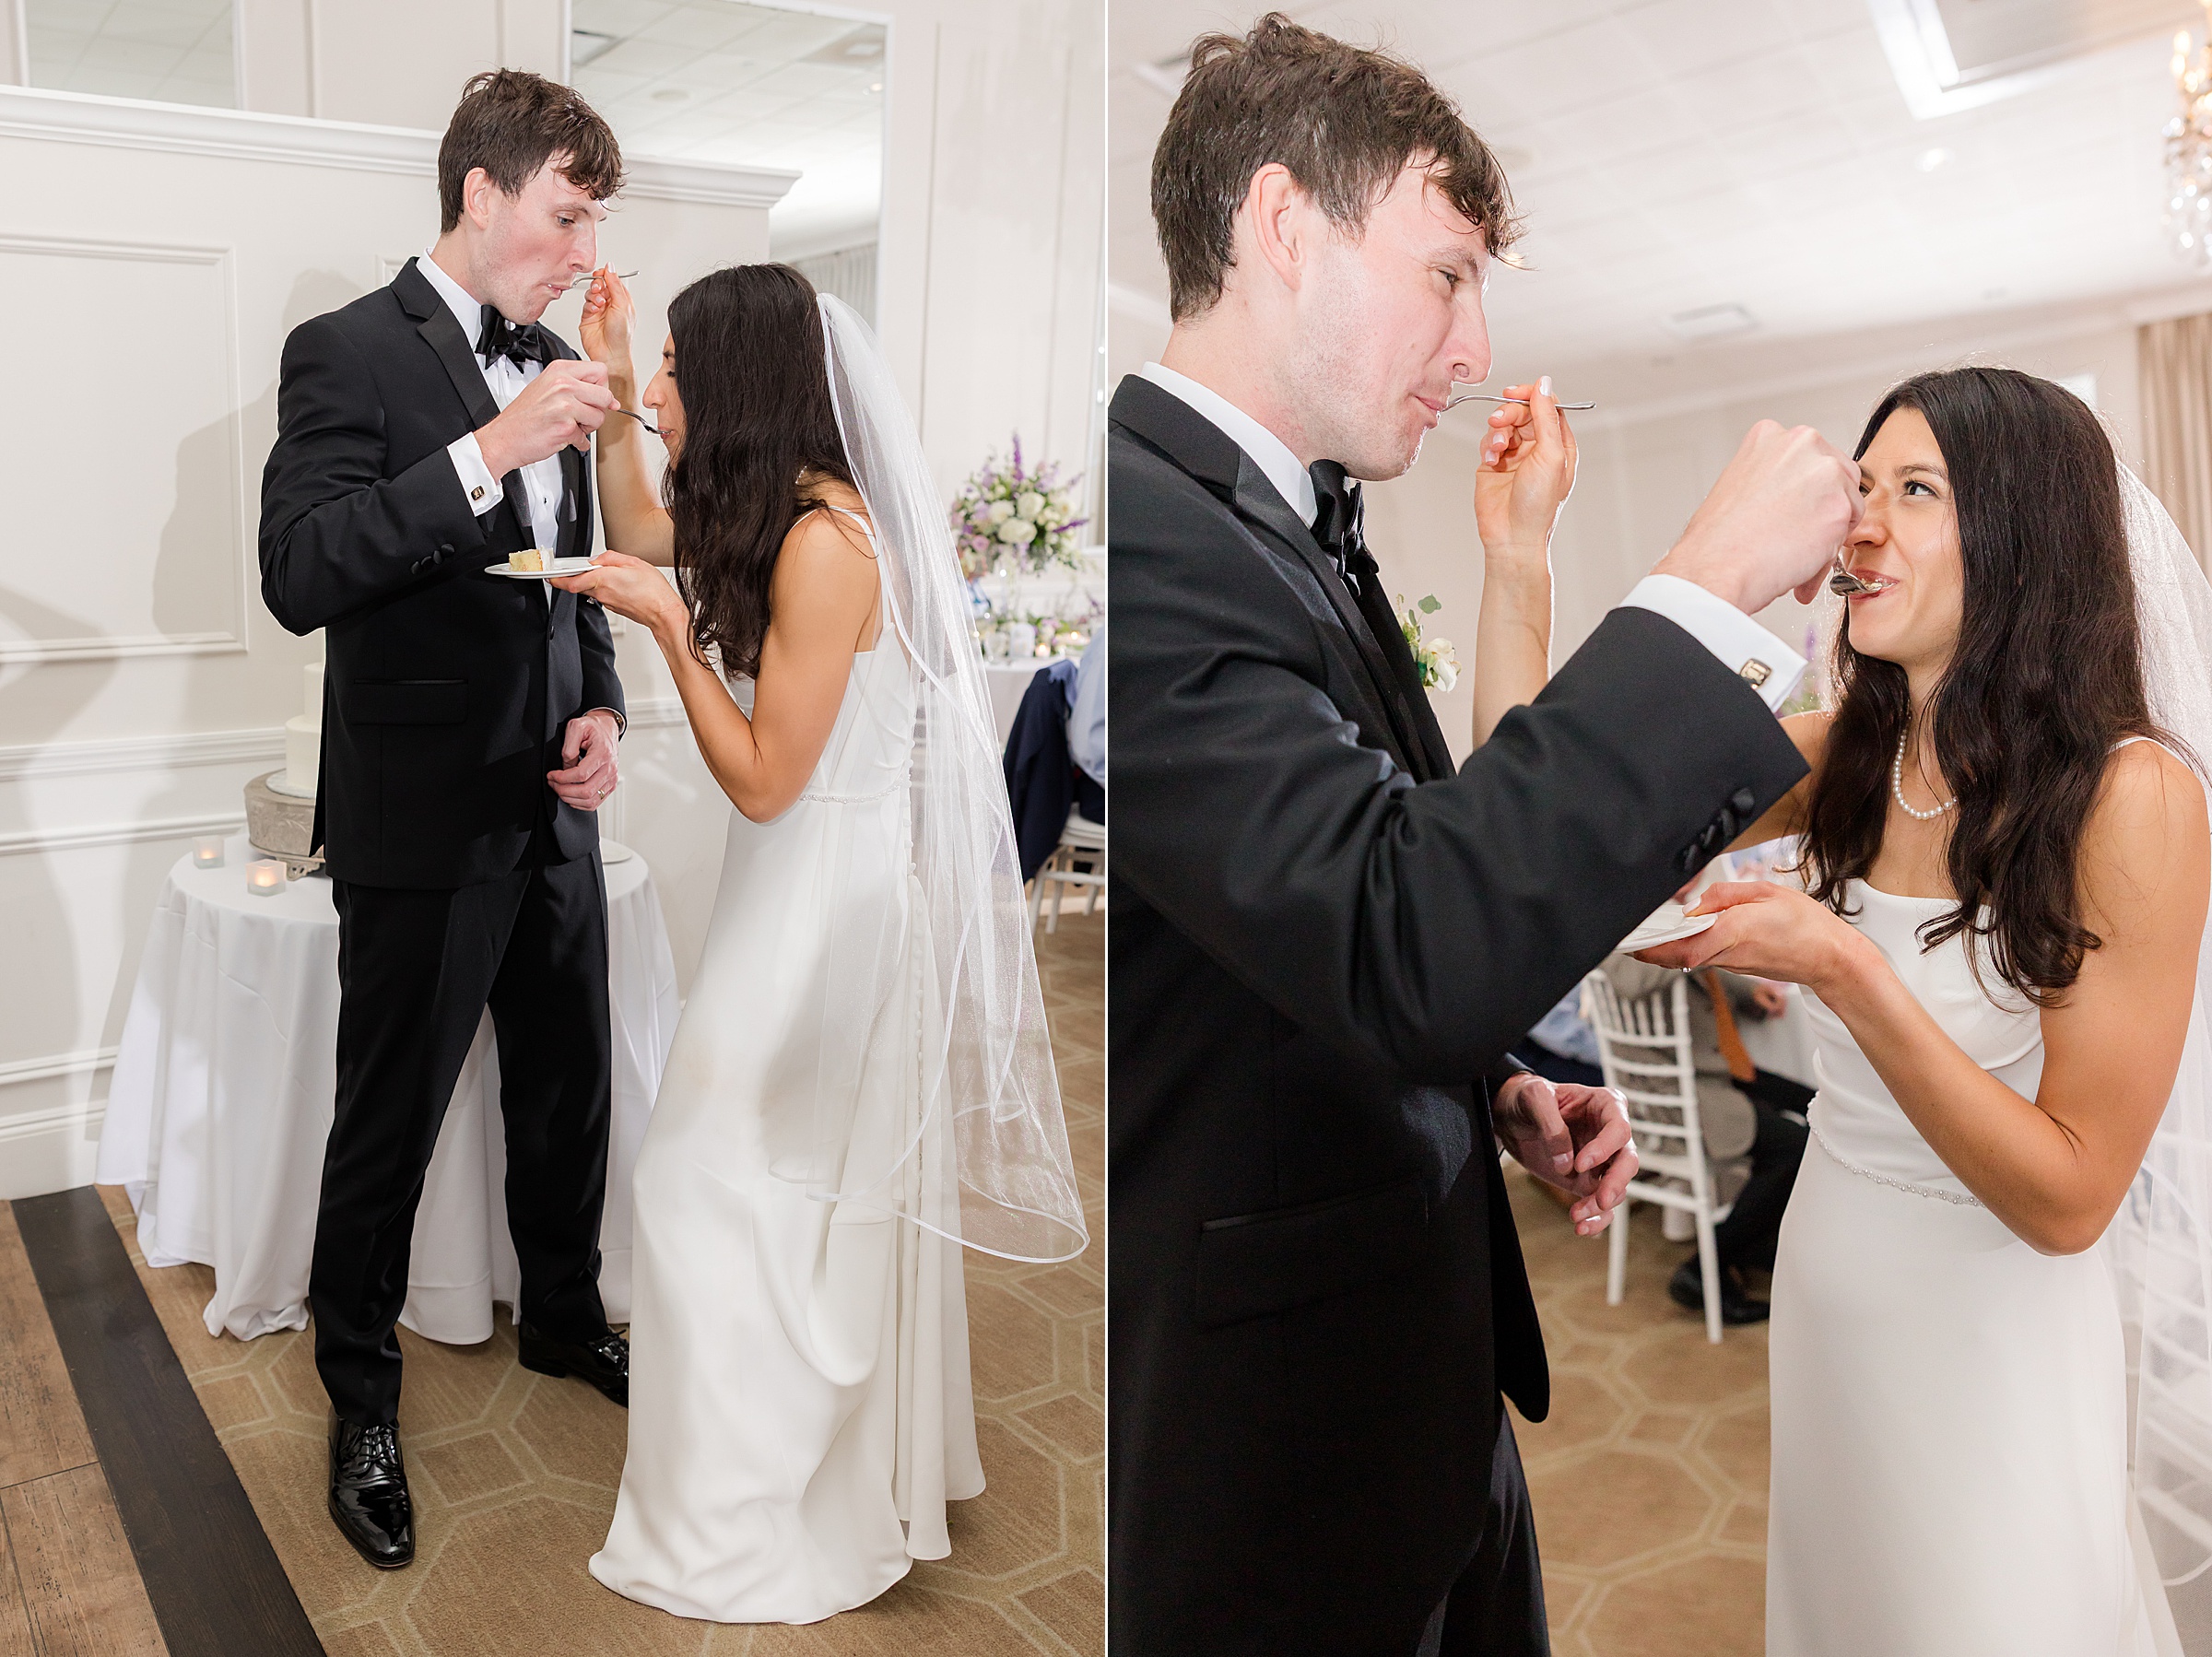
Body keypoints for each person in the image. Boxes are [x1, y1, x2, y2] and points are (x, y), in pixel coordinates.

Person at [1110, 17, 1860, 1655]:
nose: (1475, 338)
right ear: (1282, 225)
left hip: (1414, 1385)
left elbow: (1379, 877)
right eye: (1447, 272)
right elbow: (1408, 939)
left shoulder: (1295, 529)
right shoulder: (1147, 528)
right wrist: (1701, 585)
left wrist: (1493, 1085)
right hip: (1280, 1455)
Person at [1641, 367, 2212, 1653]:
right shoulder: (1851, 744)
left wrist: (1845, 970)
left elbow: (2070, 1198)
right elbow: (1567, 823)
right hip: (1835, 1295)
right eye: (1862, 485)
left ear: (2021, 531)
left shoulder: (2135, 798)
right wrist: (1519, 559)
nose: (1860, 524)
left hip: (1992, 1336)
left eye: (1916, 491)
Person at [551, 264, 1087, 1623]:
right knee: (750, 1188)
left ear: (737, 383)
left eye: (673, 366)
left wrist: (673, 642)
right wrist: (612, 395)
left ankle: (754, 1504)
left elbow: (765, 777)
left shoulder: (830, 543)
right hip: (788, 883)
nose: (660, 385)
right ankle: (755, 1470)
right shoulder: (770, 511)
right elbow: (641, 525)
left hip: (826, 899)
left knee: (703, 1181)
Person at [257, 69, 631, 1571]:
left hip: (555, 798)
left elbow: (575, 557)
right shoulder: (344, 348)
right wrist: (489, 447)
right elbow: (303, 566)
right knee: (388, 1124)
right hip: (420, 809)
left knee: (567, 1091)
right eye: (566, 210)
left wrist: (601, 695)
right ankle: (359, 1399)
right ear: (481, 191)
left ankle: (558, 1318)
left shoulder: (555, 354)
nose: (583, 244)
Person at [1595, 948, 1811, 1324]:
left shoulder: (1669, 928)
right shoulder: (1623, 933)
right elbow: (1631, 981)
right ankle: (1705, 1265)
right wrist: (1692, 946)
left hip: (1714, 1071)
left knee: (1814, 1105)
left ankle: (1757, 1240)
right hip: (1680, 1096)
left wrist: (1747, 991)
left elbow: (1701, 971)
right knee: (1794, 1147)